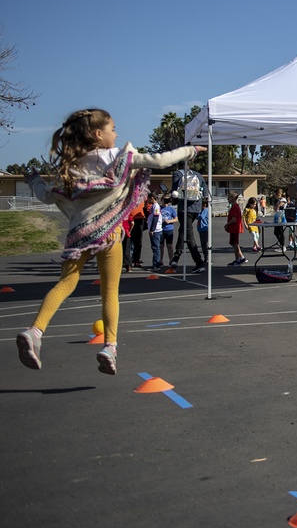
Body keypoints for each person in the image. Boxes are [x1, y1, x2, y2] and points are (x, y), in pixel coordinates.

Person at [16, 108, 205, 375]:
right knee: (110, 292)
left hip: (79, 233)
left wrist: (33, 179)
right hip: (110, 235)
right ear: (97, 133)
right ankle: (110, 346)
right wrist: (191, 151)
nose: (116, 134)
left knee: (66, 283)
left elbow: (46, 196)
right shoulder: (119, 158)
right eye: (112, 129)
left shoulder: (72, 167)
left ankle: (35, 331)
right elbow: (161, 160)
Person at [168, 159, 207, 273]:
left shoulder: (177, 174)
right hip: (196, 207)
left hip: (184, 207)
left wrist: (172, 199)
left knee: (189, 236)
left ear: (178, 166)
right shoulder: (198, 175)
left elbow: (175, 192)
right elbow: (204, 190)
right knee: (184, 230)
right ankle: (176, 257)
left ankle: (199, 262)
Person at [225, 191, 248, 266]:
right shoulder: (235, 207)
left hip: (235, 228)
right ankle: (241, 257)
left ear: (232, 198)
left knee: (235, 244)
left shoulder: (235, 207)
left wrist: (227, 224)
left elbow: (234, 219)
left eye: (229, 197)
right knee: (233, 243)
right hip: (234, 228)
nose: (228, 199)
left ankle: (237, 259)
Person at [146, 191, 163, 269]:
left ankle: (156, 264)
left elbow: (155, 218)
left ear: (152, 198)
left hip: (156, 230)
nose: (147, 200)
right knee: (154, 247)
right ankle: (156, 263)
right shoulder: (153, 206)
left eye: (148, 198)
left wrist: (152, 229)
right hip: (154, 229)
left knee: (155, 247)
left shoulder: (156, 206)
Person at [161, 192, 177, 264]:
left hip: (169, 228)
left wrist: (170, 221)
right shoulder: (159, 207)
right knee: (161, 246)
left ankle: (171, 260)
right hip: (161, 229)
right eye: (165, 199)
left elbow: (176, 219)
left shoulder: (171, 209)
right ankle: (160, 260)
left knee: (169, 245)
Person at [197, 196, 210, 261]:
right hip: (201, 229)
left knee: (205, 244)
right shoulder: (202, 210)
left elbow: (201, 217)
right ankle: (206, 257)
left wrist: (196, 215)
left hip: (204, 229)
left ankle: (207, 258)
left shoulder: (205, 210)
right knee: (203, 245)